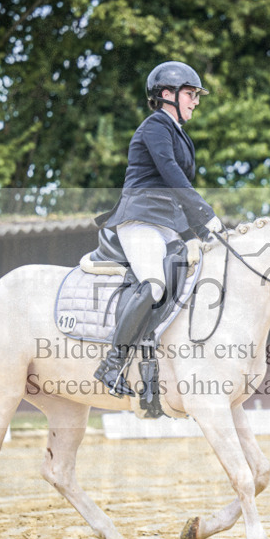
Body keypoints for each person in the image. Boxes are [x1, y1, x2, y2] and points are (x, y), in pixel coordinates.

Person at [92, 61, 223, 397]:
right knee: (154, 285)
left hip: (165, 224)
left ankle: (155, 357)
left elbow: (176, 193)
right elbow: (171, 175)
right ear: (168, 94)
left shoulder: (179, 134)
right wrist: (205, 215)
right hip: (139, 220)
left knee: (191, 280)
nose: (196, 101)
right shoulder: (155, 127)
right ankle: (112, 363)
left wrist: (202, 232)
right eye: (191, 94)